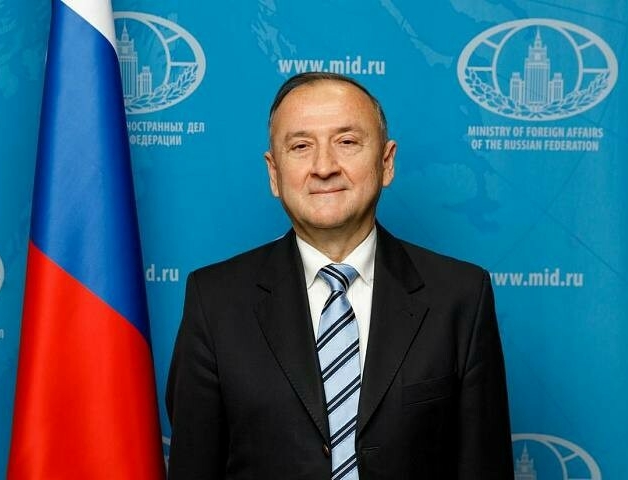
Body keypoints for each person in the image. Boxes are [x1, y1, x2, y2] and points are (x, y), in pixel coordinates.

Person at [166, 72, 514, 479]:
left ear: (386, 162)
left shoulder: (460, 296)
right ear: (274, 173)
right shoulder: (214, 302)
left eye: (346, 142)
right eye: (300, 147)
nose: (324, 167)